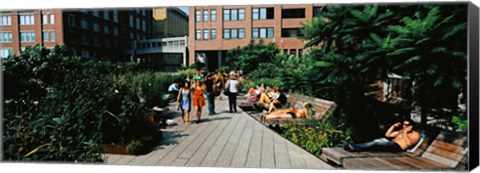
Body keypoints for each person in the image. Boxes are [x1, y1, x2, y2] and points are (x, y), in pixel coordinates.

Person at [343, 119, 421, 152]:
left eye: (407, 125)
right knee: (375, 141)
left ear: (412, 126)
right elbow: (388, 135)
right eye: (404, 124)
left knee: (376, 142)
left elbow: (407, 143)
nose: (404, 126)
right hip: (391, 143)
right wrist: (393, 126)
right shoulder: (401, 131)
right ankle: (354, 146)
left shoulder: (416, 134)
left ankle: (353, 147)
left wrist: (405, 132)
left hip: (398, 147)